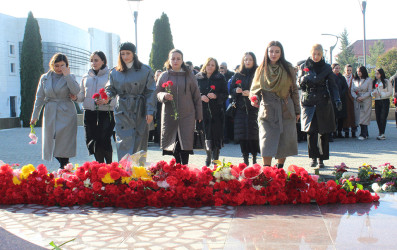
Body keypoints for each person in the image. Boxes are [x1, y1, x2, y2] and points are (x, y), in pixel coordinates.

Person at [250, 41, 300, 168]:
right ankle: (266, 171)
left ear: (281, 53)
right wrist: (254, 99)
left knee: (284, 142)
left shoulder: (288, 68)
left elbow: (294, 90)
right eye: (271, 51)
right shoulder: (261, 69)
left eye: (277, 51)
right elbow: (254, 90)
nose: (273, 54)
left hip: (286, 108)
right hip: (267, 109)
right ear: (267, 53)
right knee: (266, 142)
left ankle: (279, 171)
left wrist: (297, 110)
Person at [105, 42, 156, 161]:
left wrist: (150, 111)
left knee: (140, 140)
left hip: (140, 109)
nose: (125, 56)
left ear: (134, 54)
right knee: (123, 141)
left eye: (128, 53)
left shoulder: (145, 70)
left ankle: (138, 172)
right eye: (122, 54)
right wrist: (107, 96)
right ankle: (124, 173)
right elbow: (110, 88)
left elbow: (151, 91)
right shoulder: (115, 71)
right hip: (122, 109)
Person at [30, 53, 80, 168]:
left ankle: (64, 167)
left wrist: (67, 76)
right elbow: (39, 97)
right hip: (50, 111)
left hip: (66, 112)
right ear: (52, 65)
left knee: (64, 142)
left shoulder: (70, 76)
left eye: (62, 65)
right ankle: (65, 167)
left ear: (66, 66)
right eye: (56, 65)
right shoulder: (45, 77)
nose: (59, 68)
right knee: (51, 141)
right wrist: (35, 115)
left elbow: (76, 91)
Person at [156, 49, 203, 165]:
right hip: (169, 114)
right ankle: (177, 167)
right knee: (173, 142)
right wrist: (163, 95)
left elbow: (196, 96)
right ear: (169, 60)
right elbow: (156, 93)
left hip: (187, 114)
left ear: (182, 60)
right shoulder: (164, 75)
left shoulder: (190, 76)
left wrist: (199, 114)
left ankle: (185, 167)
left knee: (185, 143)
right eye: (173, 58)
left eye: (178, 58)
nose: (175, 61)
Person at [298, 44, 341, 168]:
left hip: (323, 101)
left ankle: (322, 158)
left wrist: (337, 99)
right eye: (314, 54)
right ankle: (313, 158)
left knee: (324, 132)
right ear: (311, 54)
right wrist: (302, 80)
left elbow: (333, 85)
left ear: (322, 55)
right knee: (311, 132)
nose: (316, 57)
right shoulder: (304, 66)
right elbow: (298, 82)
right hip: (309, 101)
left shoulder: (327, 68)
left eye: (318, 54)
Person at [75, 51, 115, 163]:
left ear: (103, 61)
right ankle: (99, 167)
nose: (93, 62)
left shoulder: (110, 75)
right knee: (91, 140)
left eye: (96, 60)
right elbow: (81, 95)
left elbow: (115, 94)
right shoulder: (86, 76)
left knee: (104, 139)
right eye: (92, 60)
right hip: (89, 113)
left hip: (105, 113)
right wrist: (75, 97)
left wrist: (106, 101)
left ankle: (110, 167)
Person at [196, 57, 228, 166]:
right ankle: (208, 155)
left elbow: (225, 94)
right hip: (203, 111)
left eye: (213, 65)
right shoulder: (198, 77)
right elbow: (193, 94)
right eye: (208, 64)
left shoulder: (220, 78)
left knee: (216, 135)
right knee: (205, 135)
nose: (210, 67)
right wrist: (200, 97)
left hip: (217, 112)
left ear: (216, 67)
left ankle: (216, 158)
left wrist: (216, 95)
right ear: (205, 65)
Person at [229, 52, 260, 165]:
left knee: (254, 134)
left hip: (254, 108)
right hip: (240, 109)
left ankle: (255, 158)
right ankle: (245, 158)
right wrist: (235, 91)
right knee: (242, 135)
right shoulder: (238, 75)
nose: (247, 61)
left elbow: (261, 89)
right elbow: (231, 90)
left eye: (250, 59)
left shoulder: (257, 73)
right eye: (245, 59)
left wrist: (251, 94)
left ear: (254, 61)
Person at [351, 66, 372, 140]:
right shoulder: (354, 80)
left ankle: (363, 133)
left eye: (360, 71)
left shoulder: (368, 80)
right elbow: (352, 90)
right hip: (357, 99)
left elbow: (370, 91)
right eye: (357, 71)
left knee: (364, 116)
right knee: (359, 116)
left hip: (366, 99)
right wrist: (356, 97)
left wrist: (362, 97)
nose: (358, 73)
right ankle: (365, 132)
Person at [371, 68, 393, 140]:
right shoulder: (374, 82)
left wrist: (382, 94)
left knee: (383, 117)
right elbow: (371, 91)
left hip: (385, 100)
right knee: (378, 117)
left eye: (378, 73)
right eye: (375, 73)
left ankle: (382, 133)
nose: (376, 75)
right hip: (377, 100)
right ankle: (380, 132)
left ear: (381, 74)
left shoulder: (386, 81)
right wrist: (373, 93)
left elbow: (390, 92)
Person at [331, 63, 348, 139]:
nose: (337, 70)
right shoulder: (330, 77)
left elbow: (345, 87)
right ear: (332, 69)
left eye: (338, 68)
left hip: (341, 99)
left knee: (341, 117)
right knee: (334, 116)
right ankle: (334, 132)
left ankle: (339, 132)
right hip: (333, 100)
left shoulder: (342, 77)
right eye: (336, 68)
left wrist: (341, 94)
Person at [343, 64, 357, 138]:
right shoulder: (342, 78)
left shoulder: (354, 78)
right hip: (345, 98)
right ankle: (346, 132)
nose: (348, 71)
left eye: (350, 70)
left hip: (352, 98)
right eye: (347, 70)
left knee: (353, 115)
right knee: (346, 115)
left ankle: (354, 132)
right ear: (345, 70)